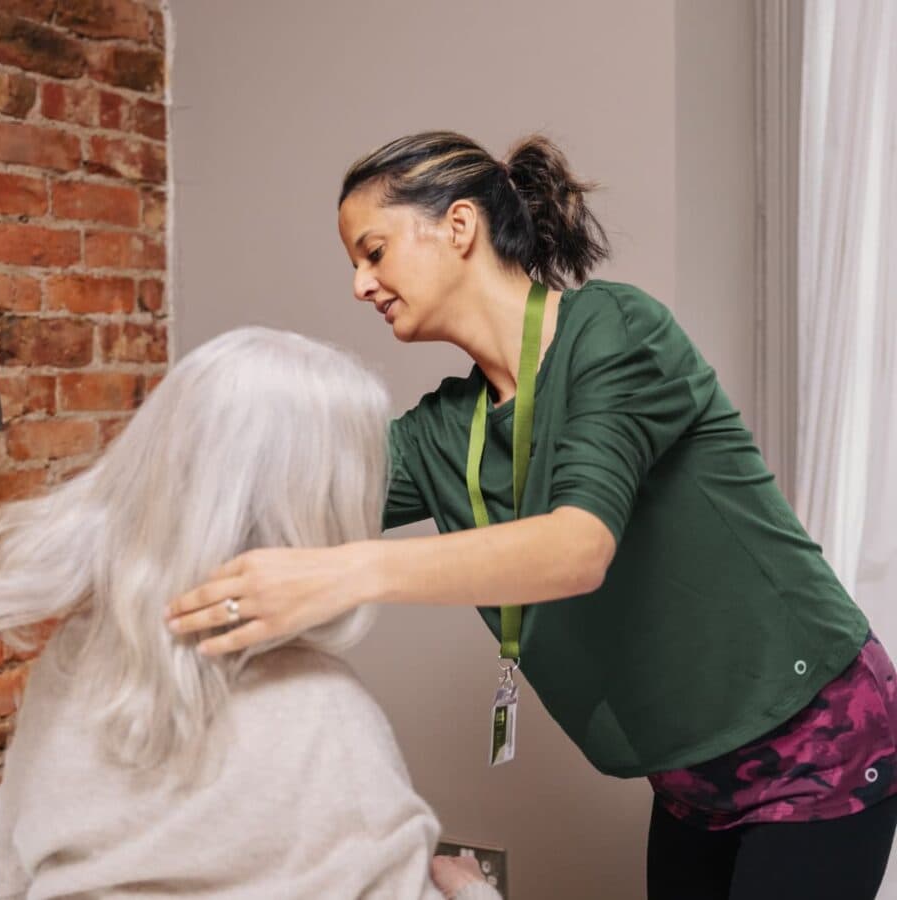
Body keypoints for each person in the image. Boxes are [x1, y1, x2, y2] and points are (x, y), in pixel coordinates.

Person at [166, 131, 897, 899]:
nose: (360, 284)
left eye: (374, 252)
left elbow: (577, 548)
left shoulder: (615, 331)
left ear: (457, 228)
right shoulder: (448, 428)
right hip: (688, 778)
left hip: (817, 739)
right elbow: (288, 496)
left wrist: (339, 577)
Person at [0, 328, 499, 900]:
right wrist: (472, 891)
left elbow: (14, 868)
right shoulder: (323, 712)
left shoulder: (76, 656)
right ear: (323, 501)